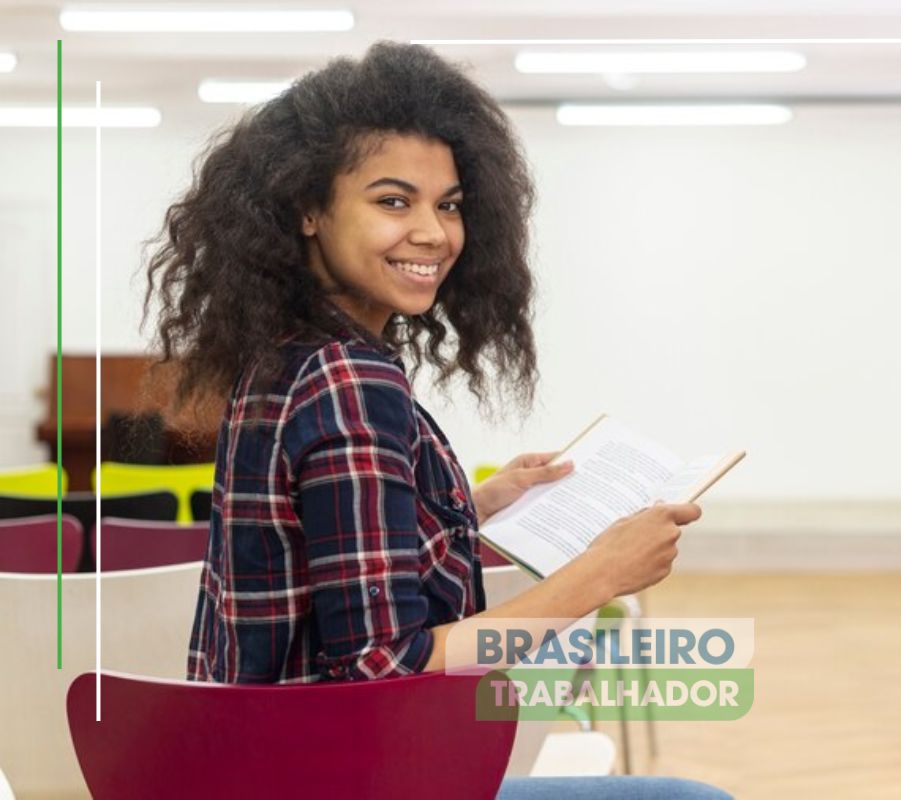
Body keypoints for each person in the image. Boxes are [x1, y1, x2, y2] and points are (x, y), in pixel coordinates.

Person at [144, 41, 730, 799]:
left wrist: (468, 507)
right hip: (343, 777)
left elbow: (322, 546)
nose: (434, 233)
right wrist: (596, 577)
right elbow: (382, 666)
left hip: (265, 766)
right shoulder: (349, 378)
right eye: (394, 201)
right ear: (309, 210)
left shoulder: (288, 357)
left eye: (447, 204)